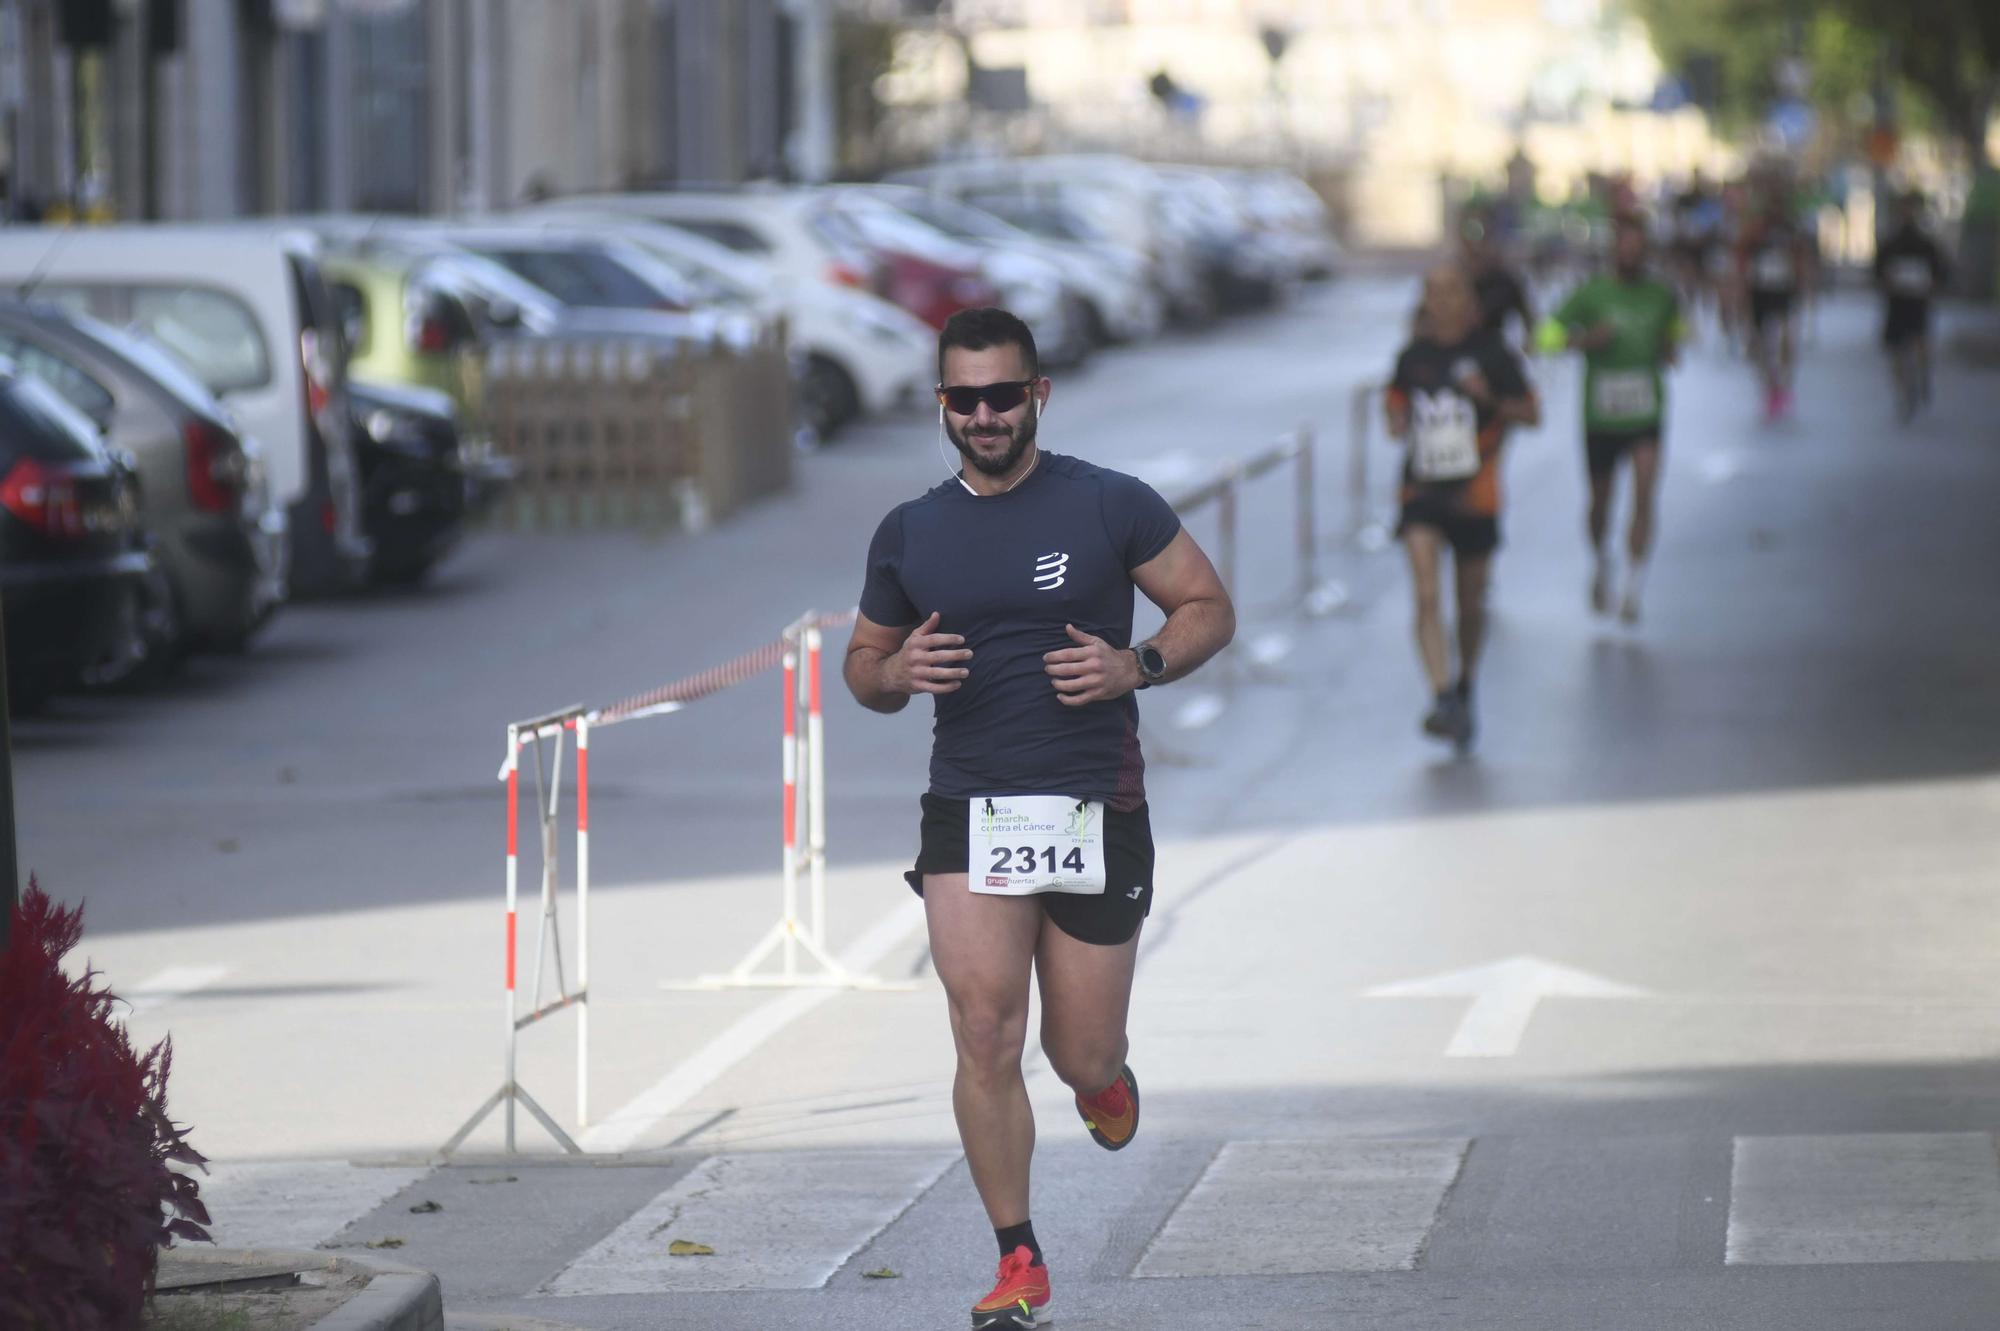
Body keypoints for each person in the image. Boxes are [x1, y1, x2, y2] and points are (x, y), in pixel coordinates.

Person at [844, 307, 1234, 1331]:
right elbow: (861, 667)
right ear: (942, 406)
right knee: (983, 1030)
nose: (982, 414)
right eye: (962, 398)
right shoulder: (910, 529)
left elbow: (1205, 605)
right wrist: (892, 672)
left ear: (1036, 396)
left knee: (1079, 1051)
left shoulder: (1108, 503)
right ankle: (1017, 1254)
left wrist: (1132, 662)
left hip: (1092, 806)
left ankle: (1101, 1084)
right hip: (965, 807)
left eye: (1000, 395)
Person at [1385, 265, 1541, 751]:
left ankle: (1466, 681)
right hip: (1423, 492)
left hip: (1476, 495)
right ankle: (1441, 695)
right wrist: (1396, 414)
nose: (1445, 301)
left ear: (1470, 301)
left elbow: (1533, 413)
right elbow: (1393, 416)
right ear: (1426, 302)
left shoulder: (1493, 353)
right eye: (1435, 292)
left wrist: (1489, 398)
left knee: (1469, 605)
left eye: (1454, 291)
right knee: (1427, 596)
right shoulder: (1413, 357)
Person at [1539, 215, 1684, 624]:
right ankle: (1601, 559)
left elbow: (1675, 334)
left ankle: (1634, 585)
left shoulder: (1661, 295)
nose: (1631, 256)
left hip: (1646, 413)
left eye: (1638, 249)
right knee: (1601, 501)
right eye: (1624, 248)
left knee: (1644, 494)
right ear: (1613, 251)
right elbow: (1544, 336)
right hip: (1601, 416)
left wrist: (1669, 348)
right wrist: (1585, 340)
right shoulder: (1591, 294)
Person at [1873, 191, 1951, 421]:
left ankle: (1921, 375)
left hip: (1918, 302)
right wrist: (1887, 283)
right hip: (1896, 303)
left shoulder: (1927, 243)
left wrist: (1930, 286)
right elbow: (1877, 273)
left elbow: (1940, 273)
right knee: (1896, 351)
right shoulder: (1890, 242)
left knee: (1920, 342)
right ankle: (1903, 393)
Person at [1737, 191, 1813, 420]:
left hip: (1784, 292)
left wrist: (1802, 284)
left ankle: (1784, 384)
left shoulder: (1791, 231)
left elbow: (1801, 259)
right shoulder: (1753, 233)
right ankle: (1770, 386)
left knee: (1787, 340)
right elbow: (1742, 261)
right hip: (1760, 293)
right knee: (1759, 345)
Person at [1460, 207, 1537, 350]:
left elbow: (1529, 321)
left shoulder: (1505, 281)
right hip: (1451, 355)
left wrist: (1529, 344)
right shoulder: (1449, 276)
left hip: (1492, 353)